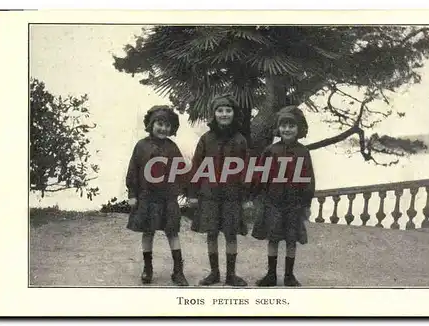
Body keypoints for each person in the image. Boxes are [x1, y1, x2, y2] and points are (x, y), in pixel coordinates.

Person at [188, 94, 251, 287]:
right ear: (214, 114)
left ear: (234, 113)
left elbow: (247, 169)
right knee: (212, 233)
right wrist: (192, 193)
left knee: (231, 234)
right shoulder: (206, 139)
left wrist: (246, 196)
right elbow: (197, 166)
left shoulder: (240, 139)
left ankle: (231, 274)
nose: (224, 114)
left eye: (228, 110)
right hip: (210, 194)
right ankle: (214, 273)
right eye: (220, 110)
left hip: (232, 195)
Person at [251, 105, 315, 287]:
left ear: (299, 129)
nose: (287, 129)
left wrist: (307, 203)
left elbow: (308, 179)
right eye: (284, 126)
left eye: (291, 126)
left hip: (295, 204)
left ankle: (289, 275)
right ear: (278, 128)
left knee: (291, 240)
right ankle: (271, 274)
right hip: (273, 203)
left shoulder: (304, 152)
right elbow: (260, 175)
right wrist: (256, 195)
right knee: (273, 238)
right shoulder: (271, 150)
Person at [126, 105, 189, 286]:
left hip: (168, 199)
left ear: (172, 128)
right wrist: (132, 194)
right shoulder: (141, 146)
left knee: (172, 233)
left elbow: (181, 171)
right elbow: (133, 171)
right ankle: (148, 268)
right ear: (151, 124)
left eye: (167, 125)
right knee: (148, 232)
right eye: (159, 124)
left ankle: (178, 271)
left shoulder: (172, 147)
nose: (163, 128)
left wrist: (186, 191)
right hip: (147, 197)